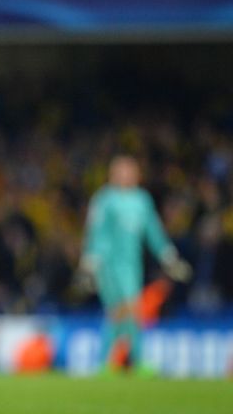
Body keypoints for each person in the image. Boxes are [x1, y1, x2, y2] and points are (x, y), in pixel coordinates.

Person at [80, 155, 191, 373]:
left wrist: (169, 257)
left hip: (132, 266)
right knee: (126, 309)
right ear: (112, 174)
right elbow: (97, 232)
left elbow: (154, 232)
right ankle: (135, 360)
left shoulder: (142, 200)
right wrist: (90, 261)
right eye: (121, 170)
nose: (126, 175)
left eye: (130, 170)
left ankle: (108, 362)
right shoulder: (105, 199)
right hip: (109, 265)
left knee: (124, 312)